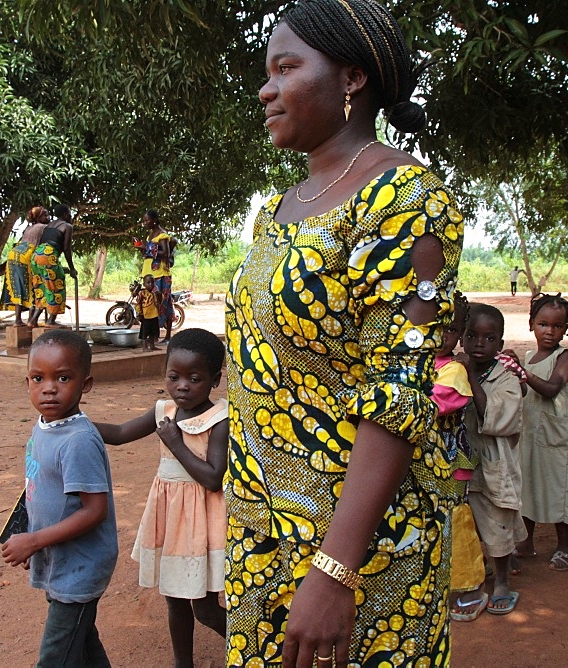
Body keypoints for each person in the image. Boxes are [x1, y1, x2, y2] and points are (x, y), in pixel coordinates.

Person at [225, 1, 464, 664]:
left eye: (285, 68)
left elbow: (401, 387)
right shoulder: (282, 207)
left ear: (352, 79)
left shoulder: (405, 198)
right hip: (266, 532)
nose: (265, 88)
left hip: (358, 547)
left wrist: (335, 571)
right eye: (266, 72)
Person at [94, 329, 227, 668]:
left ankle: (256, 646)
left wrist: (176, 443)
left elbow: (212, 478)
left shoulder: (218, 420)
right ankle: (183, 663)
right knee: (174, 599)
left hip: (202, 522)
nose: (182, 385)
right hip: (169, 518)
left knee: (207, 609)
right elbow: (121, 434)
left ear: (214, 380)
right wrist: (71, 422)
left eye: (194, 378)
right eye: (174, 376)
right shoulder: (164, 412)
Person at [0, 329, 117, 666]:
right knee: (81, 643)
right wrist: (25, 536)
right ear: (27, 382)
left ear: (86, 384)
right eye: (38, 378)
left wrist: (35, 540)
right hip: (60, 560)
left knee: (56, 657)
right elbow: (39, 486)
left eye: (63, 377)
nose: (49, 387)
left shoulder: (78, 440)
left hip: (80, 565)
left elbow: (95, 510)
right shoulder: (45, 425)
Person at [462, 304, 525, 614]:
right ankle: (477, 571)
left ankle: (502, 579)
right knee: (468, 522)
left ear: (500, 345)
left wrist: (471, 377)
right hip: (464, 462)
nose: (478, 344)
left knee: (497, 520)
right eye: (471, 335)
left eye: (489, 339)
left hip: (494, 463)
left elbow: (493, 415)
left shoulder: (506, 379)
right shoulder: (451, 370)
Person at [512, 293, 568, 572]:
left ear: (565, 329)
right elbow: (524, 392)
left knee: (559, 488)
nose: (549, 331)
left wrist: (522, 372)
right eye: (543, 324)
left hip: (558, 438)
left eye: (557, 326)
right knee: (528, 487)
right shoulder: (529, 357)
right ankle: (526, 542)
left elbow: (552, 388)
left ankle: (565, 545)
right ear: (531, 325)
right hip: (531, 434)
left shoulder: (566, 357)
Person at [429, 296, 486, 623]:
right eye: (433, 328)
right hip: (425, 464)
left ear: (460, 334)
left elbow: (436, 404)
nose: (439, 336)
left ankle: (470, 590)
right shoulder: (421, 364)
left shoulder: (453, 371)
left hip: (450, 465)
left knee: (455, 526)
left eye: (449, 330)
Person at [28, 204, 77, 327]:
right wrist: (72, 268)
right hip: (49, 255)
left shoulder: (49, 225)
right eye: (70, 213)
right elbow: (66, 249)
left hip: (36, 256)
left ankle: (33, 320)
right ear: (66, 214)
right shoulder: (67, 226)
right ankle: (51, 321)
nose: (71, 216)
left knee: (42, 288)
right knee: (56, 286)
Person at [0, 206, 49, 326]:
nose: (48, 217)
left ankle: (18, 320)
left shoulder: (28, 228)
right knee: (33, 287)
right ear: (38, 217)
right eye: (45, 215)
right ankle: (32, 321)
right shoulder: (44, 227)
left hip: (13, 255)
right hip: (27, 255)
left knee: (18, 287)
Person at [138, 210, 177, 344]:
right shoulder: (151, 235)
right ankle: (153, 336)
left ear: (154, 220)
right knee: (150, 305)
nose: (145, 223)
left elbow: (165, 253)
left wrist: (147, 248)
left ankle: (165, 336)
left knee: (163, 303)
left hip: (161, 274)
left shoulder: (162, 235)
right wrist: (141, 248)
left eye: (147, 220)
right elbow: (151, 253)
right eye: (144, 220)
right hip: (151, 274)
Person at [137, 274, 162, 351]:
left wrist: (160, 296)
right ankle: (144, 347)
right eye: (148, 282)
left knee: (153, 332)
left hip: (154, 315)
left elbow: (158, 303)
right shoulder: (142, 293)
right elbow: (138, 303)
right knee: (145, 332)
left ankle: (152, 345)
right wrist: (139, 313)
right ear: (144, 284)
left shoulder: (155, 294)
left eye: (152, 282)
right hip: (146, 316)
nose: (151, 284)